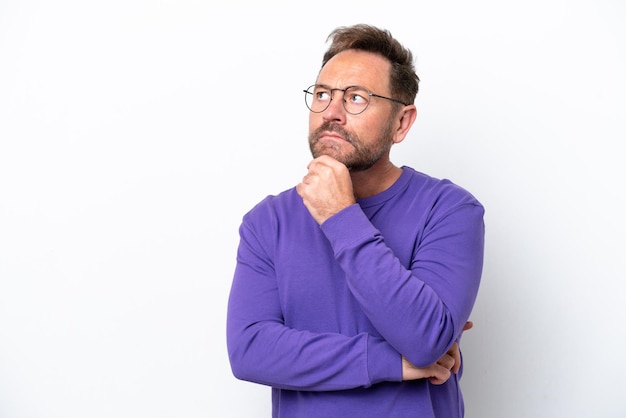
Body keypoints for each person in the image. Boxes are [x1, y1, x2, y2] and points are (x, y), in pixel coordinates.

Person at [226, 23, 485, 418]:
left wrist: (340, 215)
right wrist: (392, 362)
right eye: (323, 94)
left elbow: (425, 339)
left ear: (402, 123)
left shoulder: (449, 210)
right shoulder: (268, 221)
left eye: (357, 98)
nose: (331, 112)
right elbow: (250, 351)